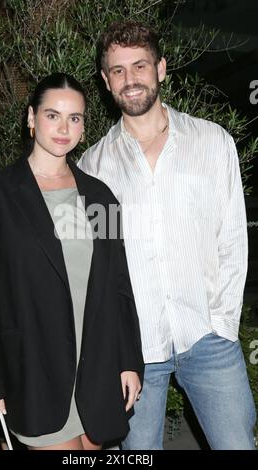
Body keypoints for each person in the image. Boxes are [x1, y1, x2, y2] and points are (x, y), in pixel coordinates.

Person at [78, 22, 257, 450]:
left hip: (208, 337)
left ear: (160, 68)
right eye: (117, 71)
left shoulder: (212, 142)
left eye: (139, 65)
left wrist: (222, 324)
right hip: (134, 354)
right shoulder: (92, 167)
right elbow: (95, 266)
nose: (130, 78)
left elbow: (232, 237)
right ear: (105, 81)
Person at [0, 72, 143, 451]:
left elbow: (118, 285)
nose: (64, 127)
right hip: (34, 371)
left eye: (74, 118)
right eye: (52, 115)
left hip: (97, 372)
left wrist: (130, 361)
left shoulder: (99, 196)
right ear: (31, 118)